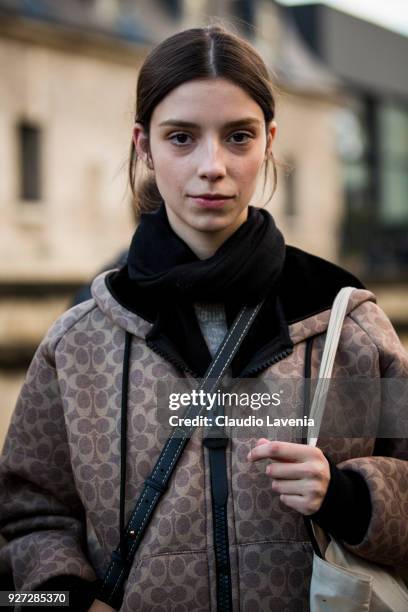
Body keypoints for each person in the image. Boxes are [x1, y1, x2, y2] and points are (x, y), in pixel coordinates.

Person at [1, 25, 407, 612]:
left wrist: (347, 495)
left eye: (238, 136)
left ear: (269, 141)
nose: (212, 165)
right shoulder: (80, 343)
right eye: (182, 137)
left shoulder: (345, 328)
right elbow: (29, 513)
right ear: (144, 145)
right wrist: (64, 600)